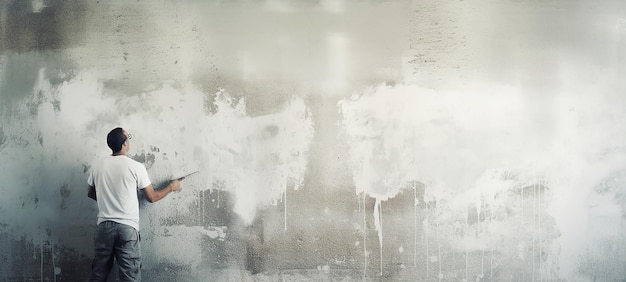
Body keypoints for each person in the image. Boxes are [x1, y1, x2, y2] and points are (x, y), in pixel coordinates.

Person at [87, 127, 182, 281]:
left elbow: (91, 193)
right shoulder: (136, 167)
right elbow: (152, 197)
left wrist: (108, 200)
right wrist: (172, 187)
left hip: (104, 227)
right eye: (128, 137)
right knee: (129, 277)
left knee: (98, 275)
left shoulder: (98, 165)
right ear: (124, 144)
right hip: (126, 229)